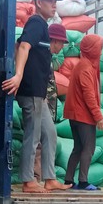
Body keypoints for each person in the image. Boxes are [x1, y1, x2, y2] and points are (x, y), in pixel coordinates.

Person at [3, 0, 70, 193]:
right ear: (39, 2)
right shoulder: (36, 22)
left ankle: (50, 178)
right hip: (31, 91)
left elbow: (17, 45)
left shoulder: (42, 27)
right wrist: (18, 75)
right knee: (32, 137)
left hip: (39, 94)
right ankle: (28, 181)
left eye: (56, 1)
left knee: (50, 134)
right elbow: (23, 46)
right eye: (50, 1)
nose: (54, 4)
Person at [62, 34, 103, 190]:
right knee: (89, 148)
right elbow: (89, 96)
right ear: (92, 49)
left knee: (78, 147)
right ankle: (83, 181)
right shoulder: (86, 68)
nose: (101, 52)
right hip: (83, 116)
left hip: (75, 115)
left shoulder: (83, 65)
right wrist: (98, 117)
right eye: (99, 48)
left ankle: (68, 180)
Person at [34, 23, 69, 182]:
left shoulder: (47, 57)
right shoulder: (41, 55)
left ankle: (41, 178)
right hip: (41, 106)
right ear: (54, 40)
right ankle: (36, 177)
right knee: (39, 142)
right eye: (62, 43)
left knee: (45, 140)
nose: (62, 47)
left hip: (46, 107)